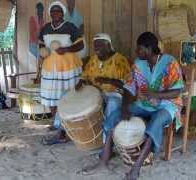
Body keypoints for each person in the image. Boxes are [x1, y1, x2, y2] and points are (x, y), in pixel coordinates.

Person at [82, 32, 184, 180]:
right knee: (115, 116)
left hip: (168, 104)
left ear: (149, 48)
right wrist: (124, 108)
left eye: (140, 48)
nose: (137, 51)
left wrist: (155, 94)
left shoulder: (170, 62)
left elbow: (177, 91)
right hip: (144, 103)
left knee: (155, 123)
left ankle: (135, 170)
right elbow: (129, 88)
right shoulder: (138, 64)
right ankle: (103, 161)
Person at [38, 1, 84, 145]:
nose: (55, 13)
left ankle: (67, 125)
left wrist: (66, 49)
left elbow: (81, 44)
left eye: (58, 11)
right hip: (50, 67)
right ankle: (57, 123)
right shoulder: (45, 28)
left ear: (62, 13)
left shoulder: (70, 27)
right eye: (52, 11)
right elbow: (40, 43)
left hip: (68, 67)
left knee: (67, 95)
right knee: (52, 96)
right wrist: (42, 51)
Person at [75, 33, 131, 142]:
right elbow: (85, 75)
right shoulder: (93, 59)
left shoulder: (120, 60)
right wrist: (81, 81)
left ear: (108, 45)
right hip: (96, 92)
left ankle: (107, 140)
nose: (96, 48)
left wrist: (107, 80)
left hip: (114, 93)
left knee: (113, 103)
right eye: (95, 45)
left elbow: (128, 84)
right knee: (72, 96)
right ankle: (68, 131)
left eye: (99, 45)